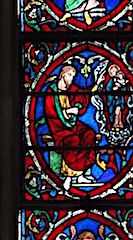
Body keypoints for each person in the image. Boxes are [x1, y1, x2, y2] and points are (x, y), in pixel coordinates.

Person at [42, 62, 98, 190]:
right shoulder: (51, 92)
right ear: (62, 75)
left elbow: (83, 94)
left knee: (89, 133)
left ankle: (80, 174)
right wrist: (68, 111)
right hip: (58, 127)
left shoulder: (70, 89)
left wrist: (96, 85)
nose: (72, 78)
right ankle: (68, 176)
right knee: (73, 140)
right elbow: (51, 114)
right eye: (70, 75)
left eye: (73, 76)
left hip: (71, 124)